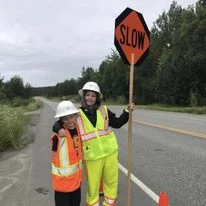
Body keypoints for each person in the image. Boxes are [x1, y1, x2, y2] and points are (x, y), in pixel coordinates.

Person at [53, 81, 134, 206]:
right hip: (92, 157)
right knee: (93, 187)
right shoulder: (77, 114)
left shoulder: (104, 110)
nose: (90, 98)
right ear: (84, 96)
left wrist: (127, 111)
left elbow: (117, 123)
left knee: (111, 183)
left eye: (93, 95)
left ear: (97, 98)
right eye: (88, 95)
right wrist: (58, 128)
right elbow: (61, 121)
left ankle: (110, 204)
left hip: (110, 153)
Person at [51, 101, 83, 206]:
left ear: (75, 116)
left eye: (71, 117)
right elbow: (55, 126)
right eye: (65, 118)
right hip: (62, 184)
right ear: (61, 120)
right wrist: (58, 127)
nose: (69, 121)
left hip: (76, 181)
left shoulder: (78, 128)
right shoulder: (59, 134)